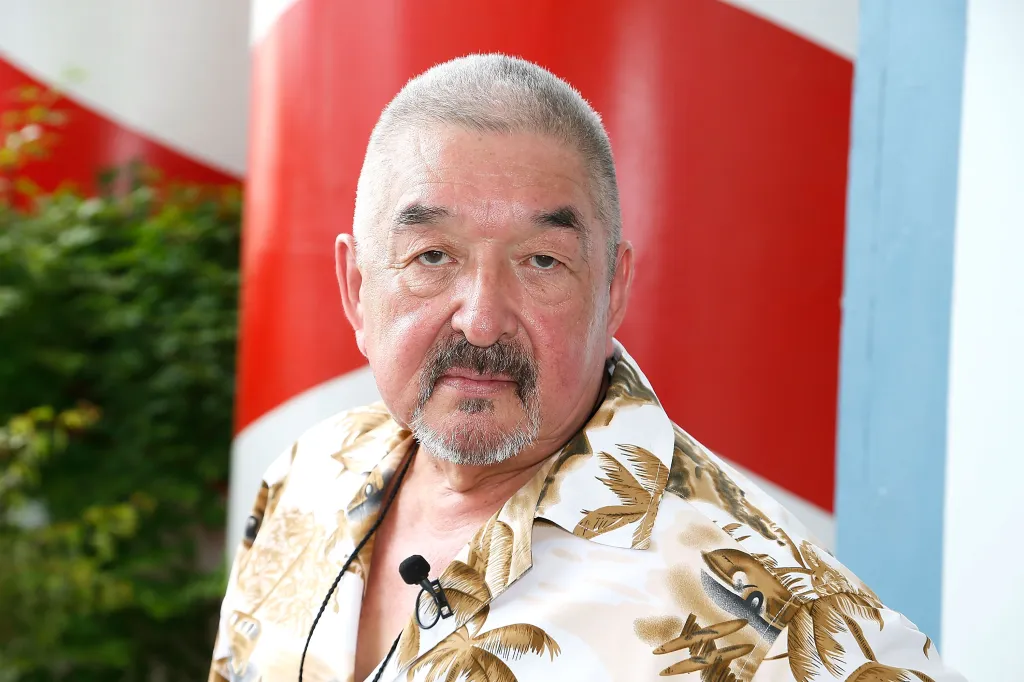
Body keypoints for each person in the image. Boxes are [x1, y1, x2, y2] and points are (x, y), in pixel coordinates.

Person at [209, 54, 965, 682]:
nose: (481, 318)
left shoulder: (786, 623)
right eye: (431, 256)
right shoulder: (304, 480)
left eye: (542, 261)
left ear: (614, 289)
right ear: (356, 288)